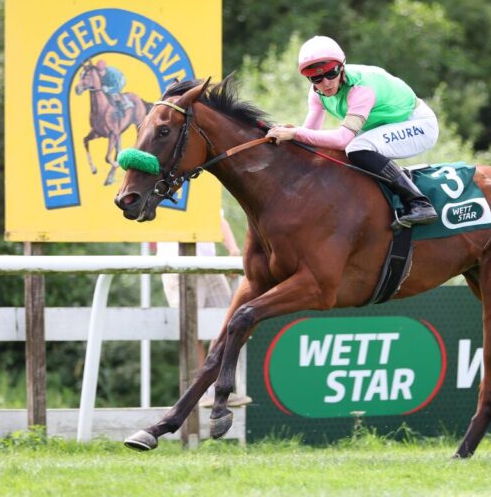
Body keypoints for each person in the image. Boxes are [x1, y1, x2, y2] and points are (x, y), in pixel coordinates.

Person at [267, 35, 439, 226]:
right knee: (343, 149)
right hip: (388, 125)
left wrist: (296, 133)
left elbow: (342, 139)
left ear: (342, 67)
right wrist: (289, 136)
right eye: (316, 77)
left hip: (418, 124)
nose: (325, 82)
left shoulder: (360, 89)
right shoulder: (317, 93)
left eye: (331, 73)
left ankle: (419, 203)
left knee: (356, 148)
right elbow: (308, 135)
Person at [157, 213, 251, 408]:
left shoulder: (202, 187)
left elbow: (217, 216)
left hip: (209, 263)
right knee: (193, 332)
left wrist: (233, 250)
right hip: (177, 264)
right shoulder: (166, 184)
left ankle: (216, 389)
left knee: (230, 324)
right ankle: (201, 393)